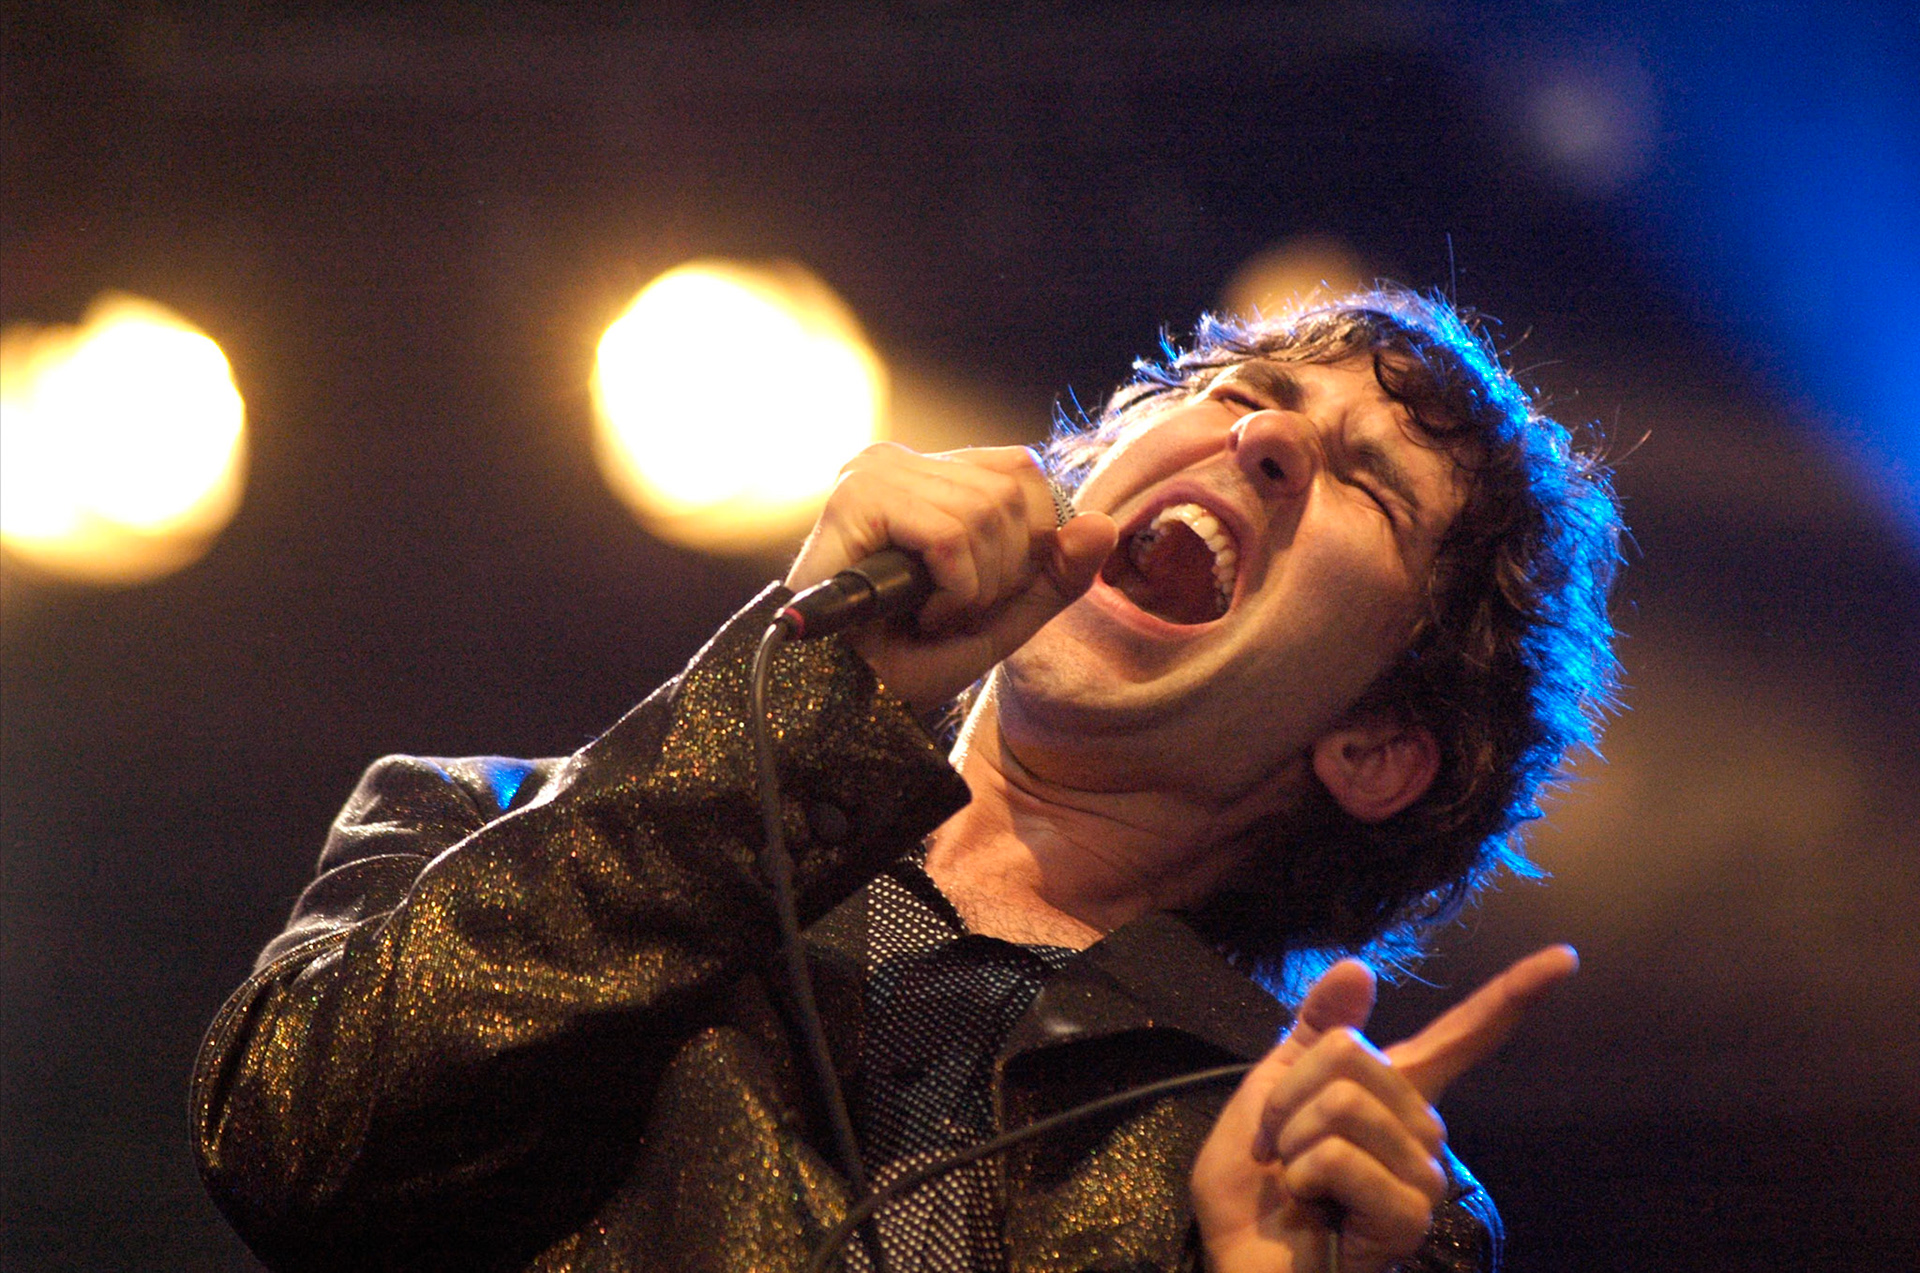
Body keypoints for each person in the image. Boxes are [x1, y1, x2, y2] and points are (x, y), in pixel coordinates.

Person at [192, 289, 1621, 1273]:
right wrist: (805, 700)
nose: (1261, 433)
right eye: (1242, 390)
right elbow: (293, 1147)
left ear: (1374, 748)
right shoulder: (489, 825)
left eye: (1365, 480)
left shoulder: (1337, 1187)